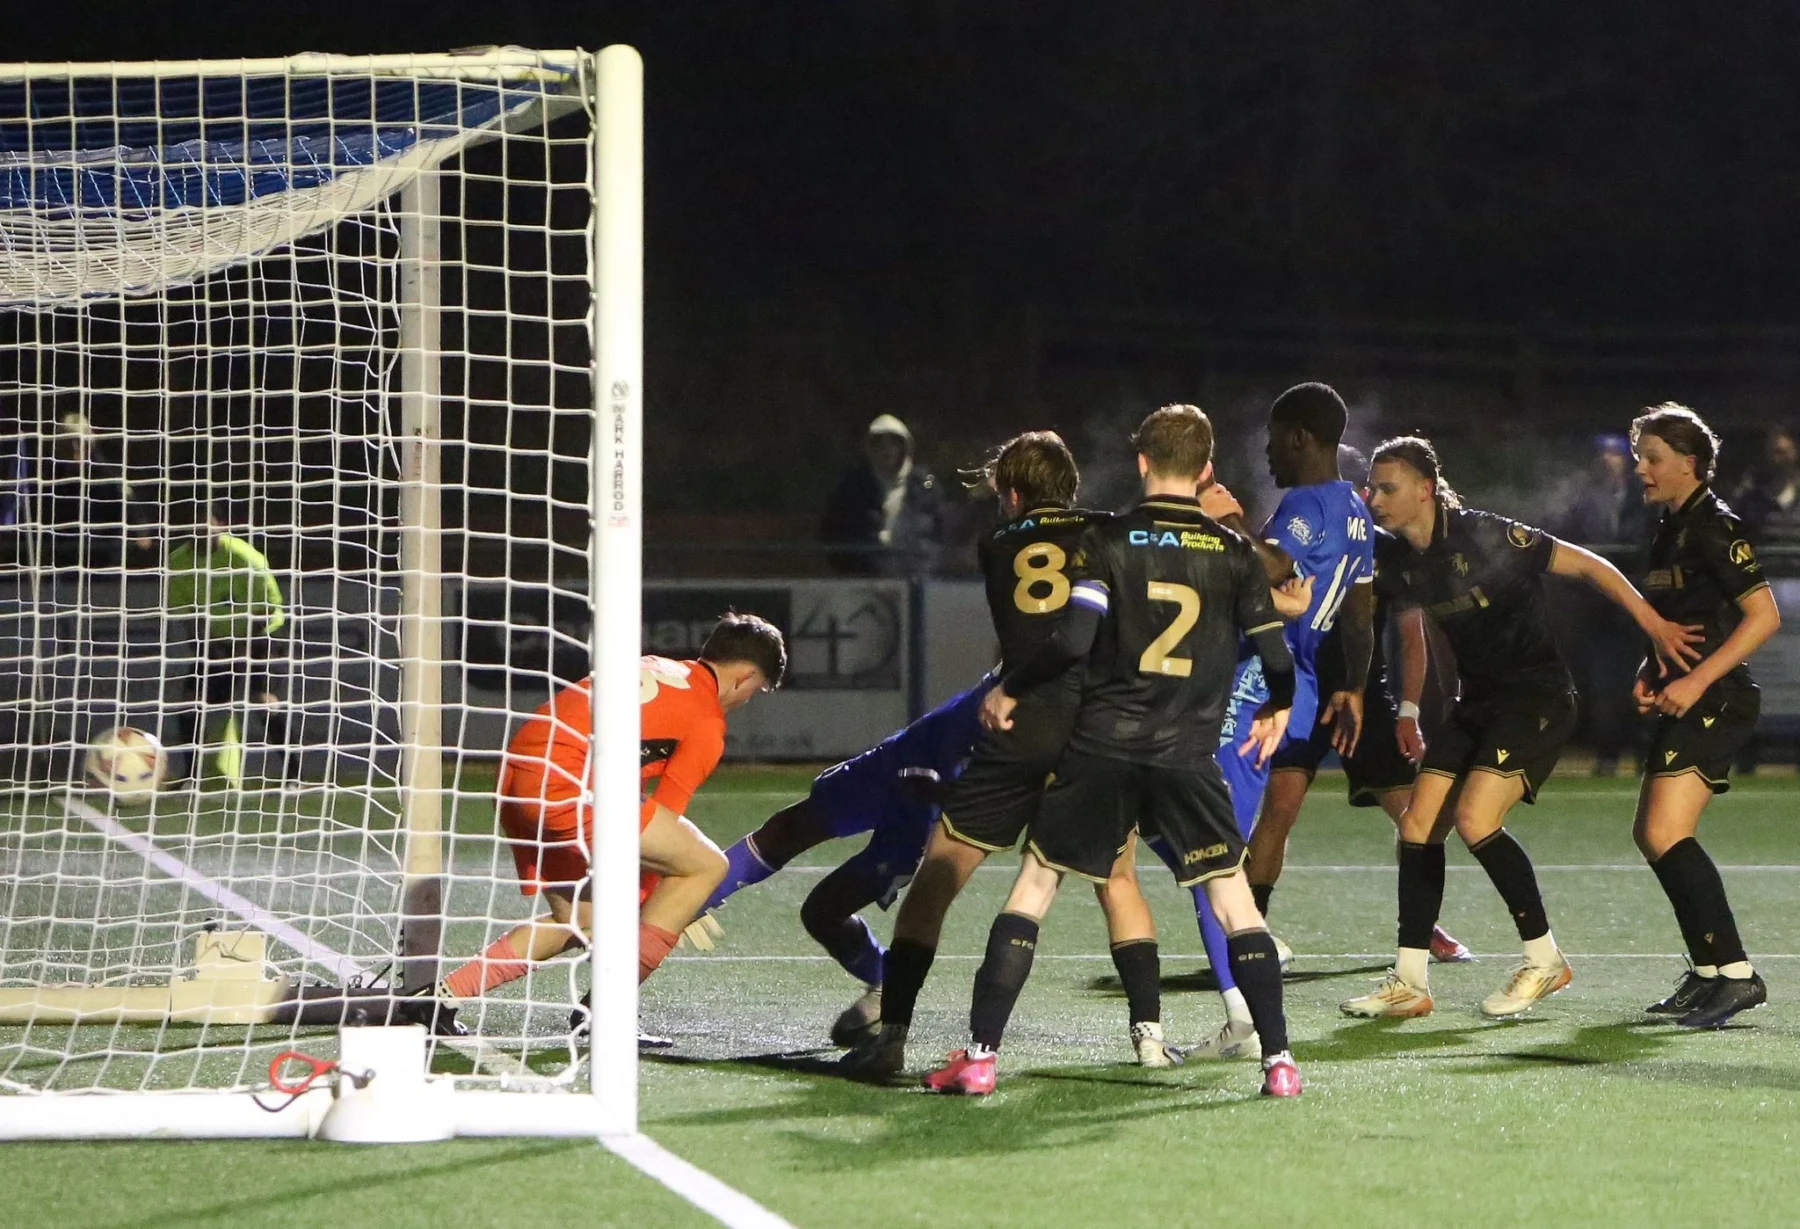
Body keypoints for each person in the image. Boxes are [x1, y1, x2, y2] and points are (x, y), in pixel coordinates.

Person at [924, 405, 1302, 1098]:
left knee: (1035, 886)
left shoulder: (1107, 537)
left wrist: (1011, 688)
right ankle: (1279, 1064)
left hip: (1103, 744)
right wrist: (1278, 705)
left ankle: (980, 1058)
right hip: (1188, 752)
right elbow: (1277, 654)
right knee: (1234, 903)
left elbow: (1072, 639)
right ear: (1205, 466)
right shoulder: (1234, 551)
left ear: (1142, 462)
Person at [840, 431, 1179, 1077]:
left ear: (1015, 495)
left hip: (1019, 724)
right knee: (1117, 879)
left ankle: (893, 1037)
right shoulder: (1111, 532)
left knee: (938, 876)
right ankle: (1149, 1038)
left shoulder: (997, 542)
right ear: (1069, 486)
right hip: (1092, 733)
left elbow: (1027, 635)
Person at [1339, 437, 1701, 1021]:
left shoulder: (1487, 535)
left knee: (1476, 819)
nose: (1374, 499)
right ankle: (1409, 982)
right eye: (1370, 488)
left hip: (1537, 697)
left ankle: (1544, 959)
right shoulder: (1397, 559)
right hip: (1478, 703)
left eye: (1387, 488)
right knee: (1416, 827)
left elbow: (1592, 566)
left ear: (1425, 490)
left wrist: (1654, 626)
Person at [1147, 382, 1383, 1061]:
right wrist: (1352, 687)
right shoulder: (1355, 510)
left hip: (1258, 687)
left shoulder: (1308, 503)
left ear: (1300, 437)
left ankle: (1245, 1016)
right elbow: (1360, 613)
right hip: (1294, 685)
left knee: (1209, 849)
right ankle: (1249, 935)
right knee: (1165, 819)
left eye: (1274, 438)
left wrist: (1217, 521)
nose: (1268, 451)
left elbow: (1268, 565)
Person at [424, 613, 786, 1034]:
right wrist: (670, 904)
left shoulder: (656, 665)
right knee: (707, 866)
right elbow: (666, 816)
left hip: (517, 778)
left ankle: (439, 999)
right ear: (745, 677)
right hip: (567, 787)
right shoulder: (707, 720)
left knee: (583, 921)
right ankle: (608, 1013)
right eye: (758, 689)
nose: (749, 699)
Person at [696, 673, 995, 1045]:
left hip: (930, 803)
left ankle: (892, 989)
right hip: (899, 759)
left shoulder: (1050, 699)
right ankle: (690, 898)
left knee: (822, 912)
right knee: (787, 829)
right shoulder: (1023, 667)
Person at [1244, 543, 1474, 971]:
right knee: (1281, 806)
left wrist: (1408, 712)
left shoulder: (1387, 548)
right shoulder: (1298, 538)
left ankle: (1421, 925)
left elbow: (1412, 635)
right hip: (1304, 691)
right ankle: (1248, 928)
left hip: (1365, 695)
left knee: (1417, 816)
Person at [1629, 404, 1778, 1027]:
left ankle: (1737, 975)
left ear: (1689, 464)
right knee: (1652, 834)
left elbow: (1764, 616)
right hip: (1688, 694)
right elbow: (1679, 620)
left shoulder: (1716, 526)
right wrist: (1651, 669)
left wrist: (1693, 681)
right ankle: (1711, 970)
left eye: (1653, 458)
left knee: (1666, 832)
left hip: (1718, 699)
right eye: (1640, 457)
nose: (1641, 469)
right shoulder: (1671, 527)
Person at [166, 503, 289, 788]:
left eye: (206, 522)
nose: (199, 529)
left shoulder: (244, 557)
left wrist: (242, 651)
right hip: (217, 641)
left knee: (264, 702)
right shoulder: (178, 561)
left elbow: (268, 607)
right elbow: (187, 614)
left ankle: (294, 775)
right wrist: (206, 647)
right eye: (194, 523)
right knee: (190, 703)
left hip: (260, 635)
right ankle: (191, 776)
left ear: (221, 525)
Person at [820, 414, 945, 576]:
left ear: (905, 447)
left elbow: (941, 533)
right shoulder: (852, 487)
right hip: (864, 579)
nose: (887, 449)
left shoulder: (925, 485)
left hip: (916, 579)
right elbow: (832, 533)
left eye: (894, 443)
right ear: (869, 449)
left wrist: (928, 564)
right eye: (878, 443)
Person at [1730, 422, 1800, 542]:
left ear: (1795, 453)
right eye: (1775, 453)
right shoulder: (1750, 500)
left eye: (1784, 452)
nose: (1779, 459)